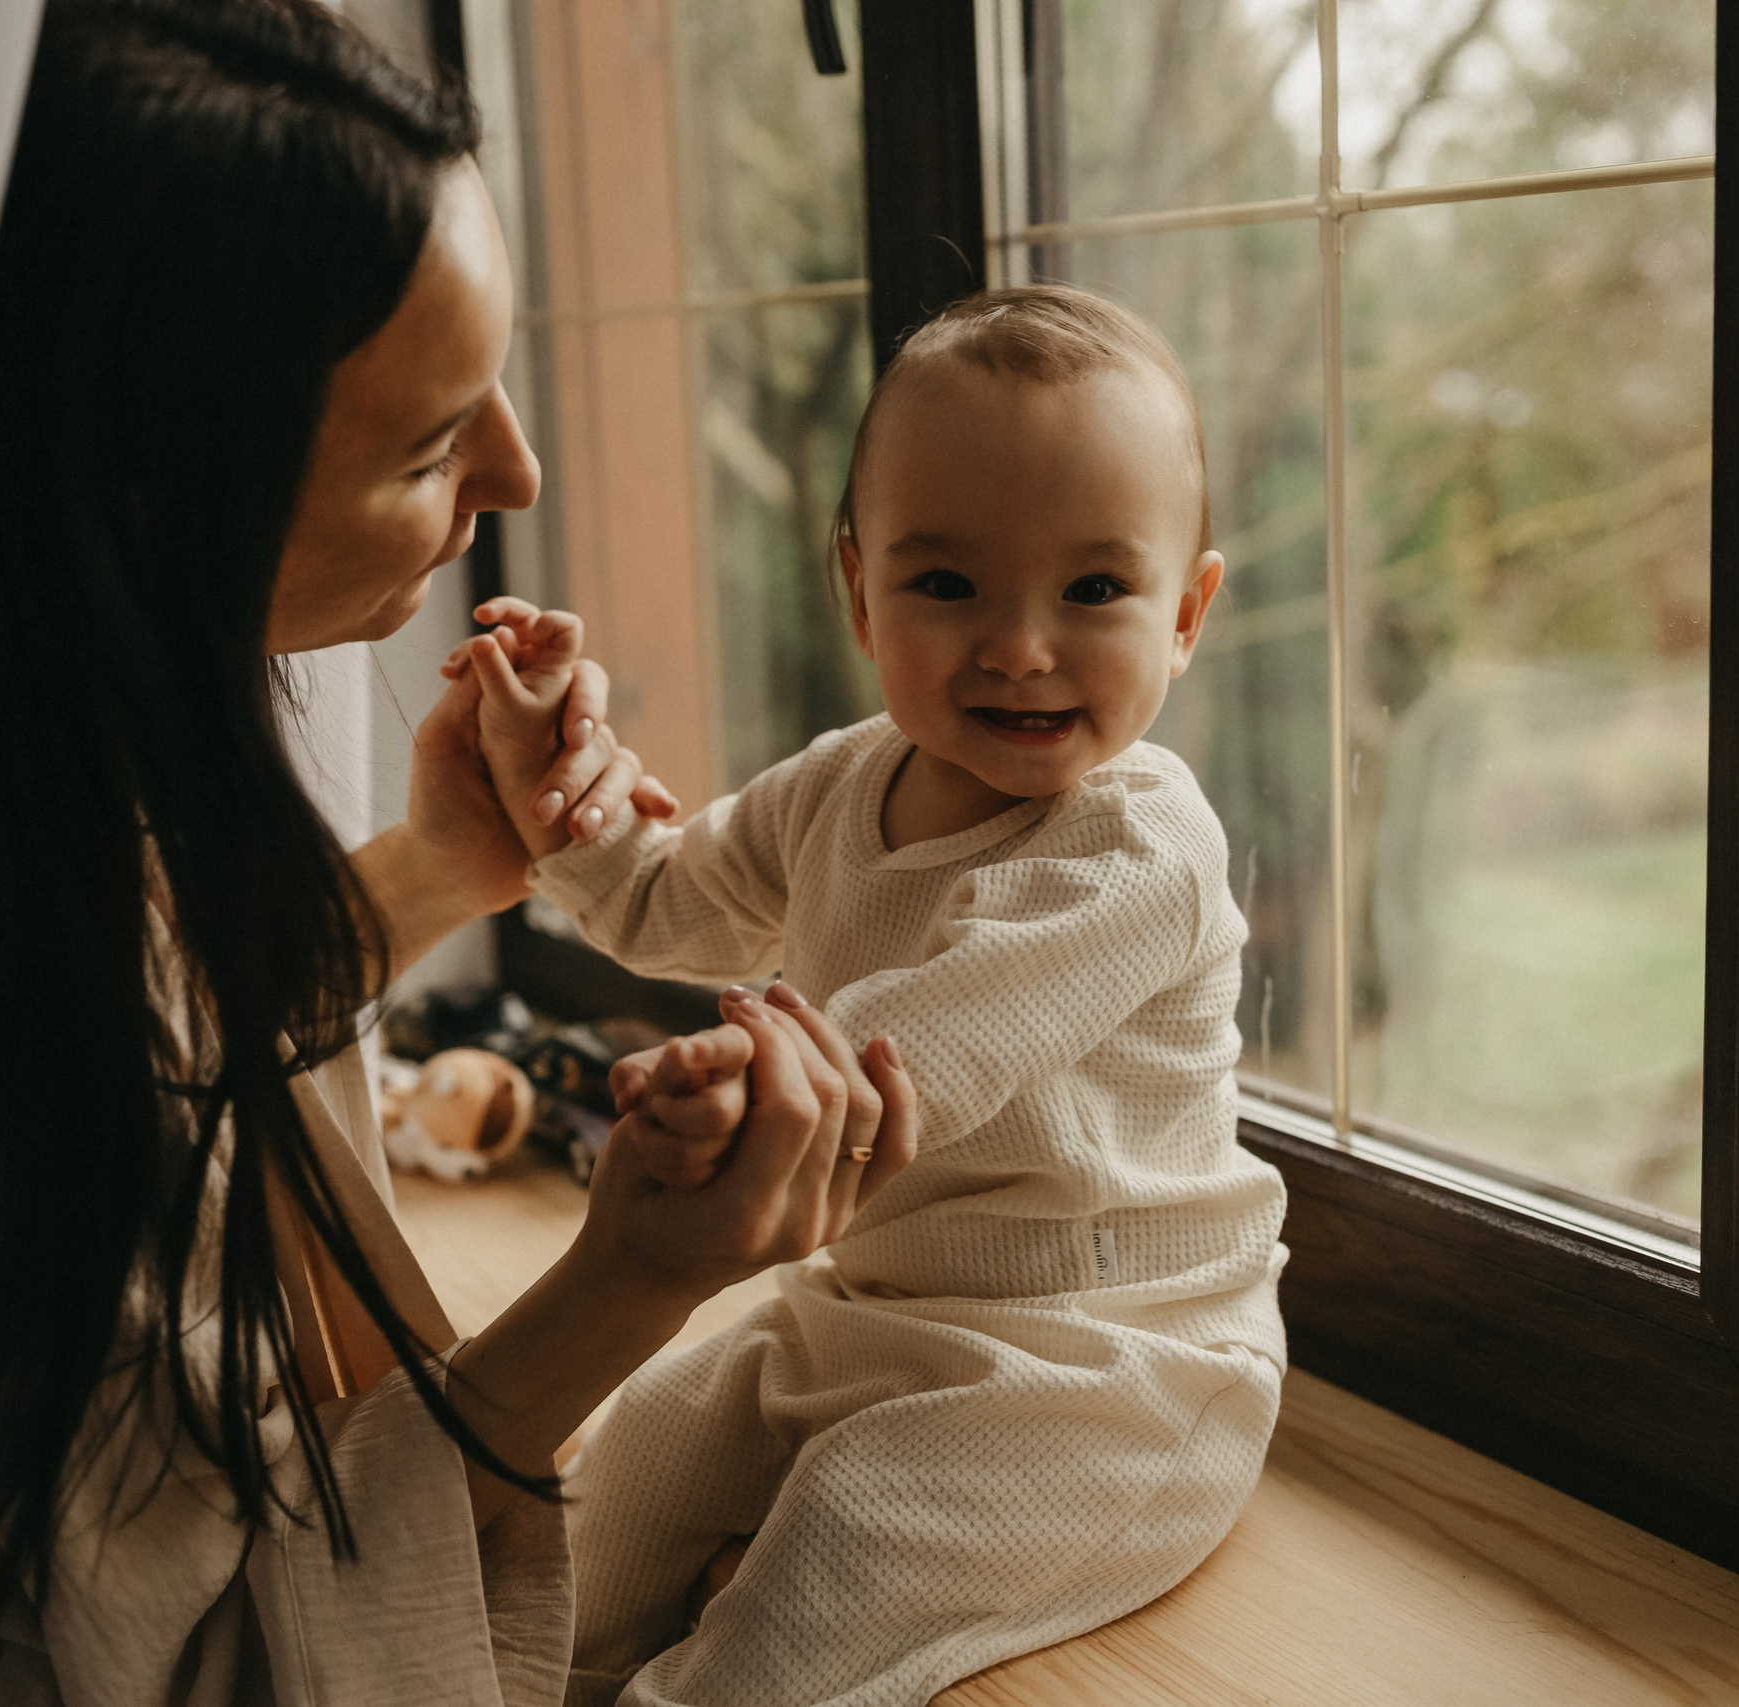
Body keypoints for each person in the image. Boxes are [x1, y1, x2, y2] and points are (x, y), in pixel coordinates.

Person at [0, 3, 915, 1703]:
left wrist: (447, 861)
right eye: (436, 443)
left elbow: (166, 1035)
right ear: (150, 498)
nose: (515, 469)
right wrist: (627, 1281)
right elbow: (228, 1658)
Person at [461, 287, 1291, 1707]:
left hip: (1100, 1371)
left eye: (1095, 591)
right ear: (858, 589)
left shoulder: (1141, 845)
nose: (1021, 647)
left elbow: (924, 1049)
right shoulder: (849, 780)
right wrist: (557, 793)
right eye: (948, 585)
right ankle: (498, 1678)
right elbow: (671, 900)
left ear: (1188, 612)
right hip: (865, 1304)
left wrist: (733, 1085)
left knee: (835, 1561)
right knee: (633, 1463)